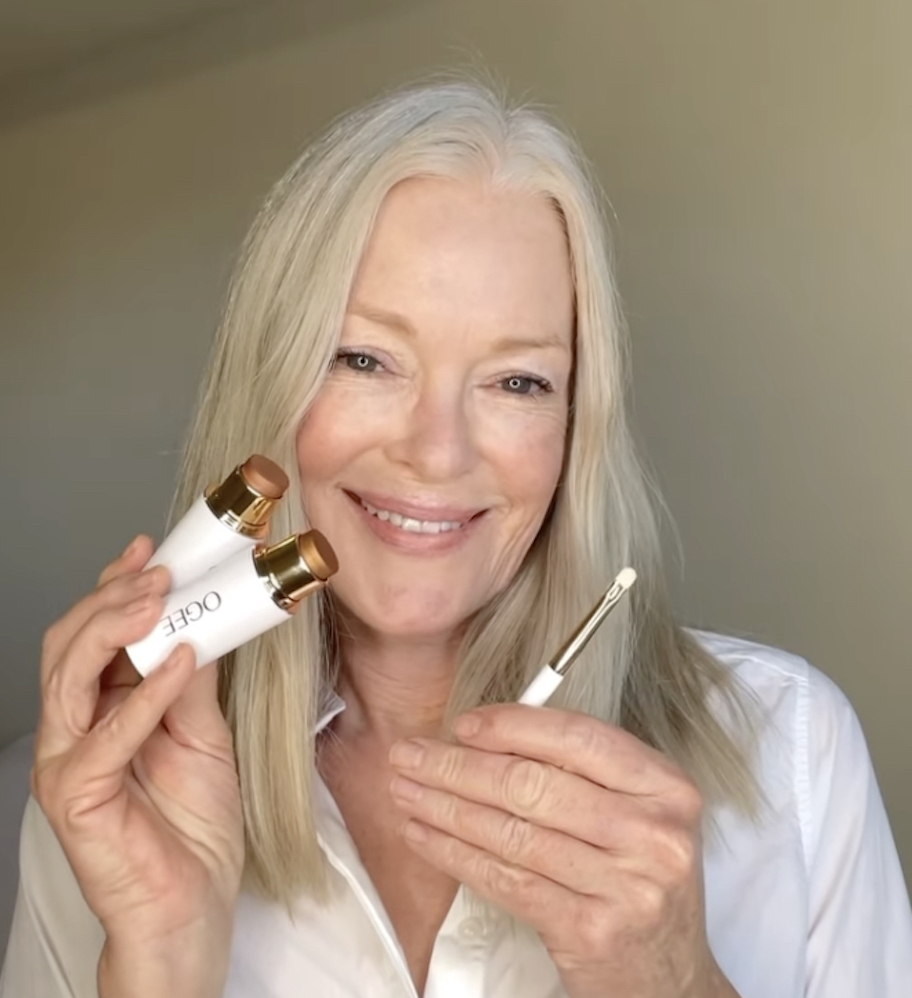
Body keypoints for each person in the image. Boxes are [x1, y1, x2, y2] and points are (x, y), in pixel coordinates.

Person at [2, 78, 911, 998]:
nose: (437, 452)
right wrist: (161, 962)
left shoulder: (792, 747)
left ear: (573, 430)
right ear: (271, 383)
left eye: (517, 382)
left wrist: (673, 981)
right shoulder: (114, 787)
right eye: (363, 359)